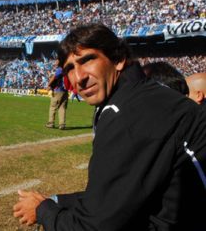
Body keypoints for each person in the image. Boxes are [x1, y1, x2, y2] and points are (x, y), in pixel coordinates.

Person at [13, 24, 206, 230]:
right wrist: (58, 200)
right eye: (70, 68)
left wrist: (43, 211)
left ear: (118, 59)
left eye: (87, 60)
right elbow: (119, 194)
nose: (79, 78)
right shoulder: (141, 94)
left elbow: (94, 226)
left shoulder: (130, 113)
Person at [45, 59, 68, 130]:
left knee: (53, 107)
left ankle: (51, 123)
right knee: (62, 108)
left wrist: (48, 85)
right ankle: (62, 124)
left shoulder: (60, 69)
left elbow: (54, 77)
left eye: (57, 61)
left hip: (58, 91)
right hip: (65, 91)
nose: (55, 62)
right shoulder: (66, 68)